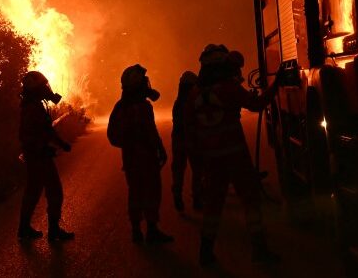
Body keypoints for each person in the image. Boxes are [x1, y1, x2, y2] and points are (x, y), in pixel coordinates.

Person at [185, 44, 280, 266]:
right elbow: (256, 104)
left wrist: (198, 163)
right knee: (251, 201)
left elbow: (190, 131)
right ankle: (259, 251)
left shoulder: (194, 94)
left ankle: (205, 252)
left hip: (212, 160)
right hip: (236, 157)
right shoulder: (229, 88)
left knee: (213, 206)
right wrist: (276, 85)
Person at [107, 64, 173, 244]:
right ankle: (151, 230)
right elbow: (145, 132)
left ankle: (137, 231)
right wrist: (145, 145)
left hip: (134, 159)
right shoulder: (139, 107)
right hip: (143, 158)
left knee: (136, 192)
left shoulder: (126, 106)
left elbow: (151, 130)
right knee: (150, 191)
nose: (146, 84)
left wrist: (159, 147)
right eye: (143, 81)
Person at [17, 71, 75, 242]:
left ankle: (24, 229)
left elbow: (46, 130)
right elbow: (30, 135)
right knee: (54, 191)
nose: (46, 89)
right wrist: (43, 149)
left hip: (35, 156)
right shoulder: (33, 108)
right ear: (35, 89)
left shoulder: (33, 105)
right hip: (39, 157)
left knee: (33, 191)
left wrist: (61, 143)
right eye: (43, 86)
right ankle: (54, 230)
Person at [171, 70, 203, 212]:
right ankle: (196, 198)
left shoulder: (178, 103)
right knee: (197, 169)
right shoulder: (193, 102)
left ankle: (178, 195)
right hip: (191, 139)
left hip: (179, 139)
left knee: (179, 170)